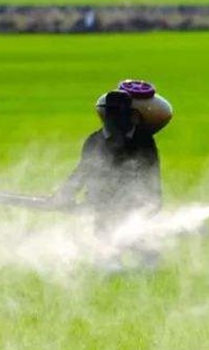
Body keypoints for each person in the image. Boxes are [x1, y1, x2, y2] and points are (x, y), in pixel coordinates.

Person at [52, 81, 172, 269]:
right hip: (102, 205)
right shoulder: (95, 141)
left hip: (134, 205)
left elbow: (151, 172)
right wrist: (65, 194)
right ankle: (109, 266)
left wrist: (153, 200)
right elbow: (83, 171)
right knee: (108, 254)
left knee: (146, 252)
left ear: (133, 116)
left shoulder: (143, 141)